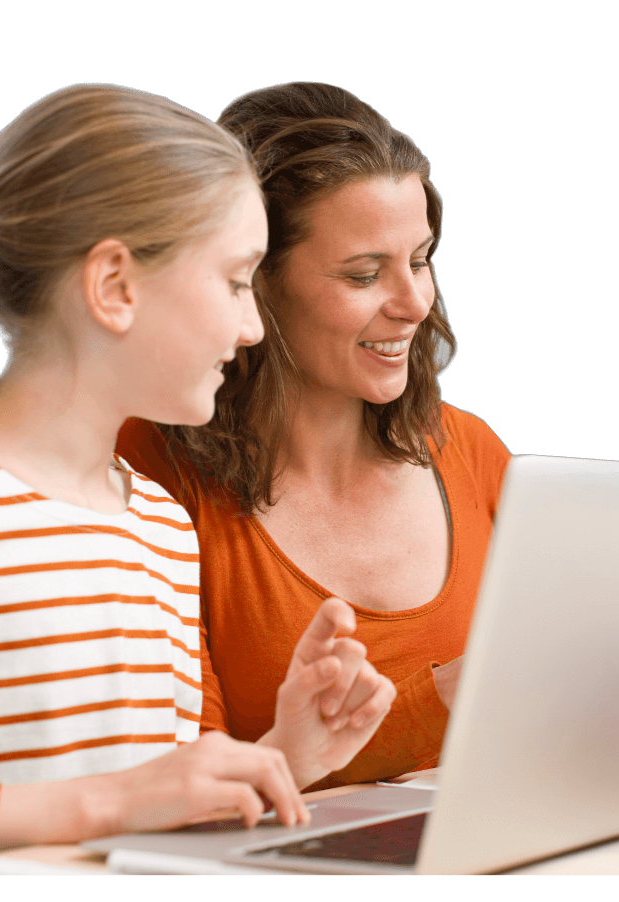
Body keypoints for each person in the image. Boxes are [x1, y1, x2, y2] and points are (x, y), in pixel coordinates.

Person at [0, 84, 395, 875]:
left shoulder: (158, 525)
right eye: (235, 283)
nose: (253, 326)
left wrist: (282, 758)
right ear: (115, 287)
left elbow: (145, 824)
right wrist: (103, 804)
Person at [115, 82, 512, 789]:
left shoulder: (472, 450)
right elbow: (182, 790)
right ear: (253, 281)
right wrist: (445, 699)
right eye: (364, 274)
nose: (414, 304)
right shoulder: (144, 467)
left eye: (421, 260)